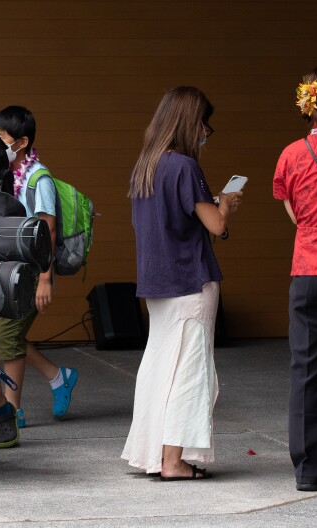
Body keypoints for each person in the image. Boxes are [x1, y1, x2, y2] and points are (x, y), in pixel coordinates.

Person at [121, 86, 242, 480]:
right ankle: (174, 461)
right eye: (205, 122)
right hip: (191, 280)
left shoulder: (146, 165)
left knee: (158, 369)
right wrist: (227, 202)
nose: (207, 130)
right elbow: (216, 225)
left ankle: (152, 455)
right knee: (190, 372)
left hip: (156, 282)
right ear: (191, 122)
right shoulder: (186, 167)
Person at [0, 106, 79, 448]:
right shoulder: (6, 172)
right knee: (1, 335)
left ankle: (12, 410)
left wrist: (47, 279)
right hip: (12, 270)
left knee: (7, 335)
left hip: (34, 271)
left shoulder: (40, 179)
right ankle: (57, 377)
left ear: (21, 142)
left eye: (0, 139)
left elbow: (47, 231)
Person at [273, 67, 317, 492]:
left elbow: (292, 211)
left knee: (306, 369)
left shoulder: (292, 153)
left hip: (308, 270)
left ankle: (308, 470)